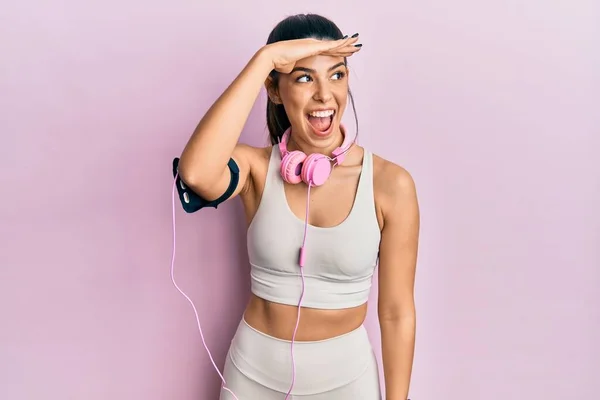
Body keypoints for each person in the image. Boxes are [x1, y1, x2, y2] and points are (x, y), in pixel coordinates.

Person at [176, 13, 419, 400]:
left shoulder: (391, 185)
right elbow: (196, 172)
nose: (325, 95)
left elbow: (396, 312)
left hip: (347, 383)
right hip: (251, 377)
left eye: (337, 74)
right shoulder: (256, 170)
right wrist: (264, 60)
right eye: (305, 77)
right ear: (275, 90)